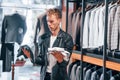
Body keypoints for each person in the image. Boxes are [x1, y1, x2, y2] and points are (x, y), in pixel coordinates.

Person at [22, 8, 74, 80]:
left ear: (59, 20)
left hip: (59, 77)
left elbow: (65, 64)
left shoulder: (67, 38)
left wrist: (60, 60)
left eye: (52, 21)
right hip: (44, 76)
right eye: (47, 21)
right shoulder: (43, 38)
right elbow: (41, 60)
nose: (49, 24)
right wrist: (31, 56)